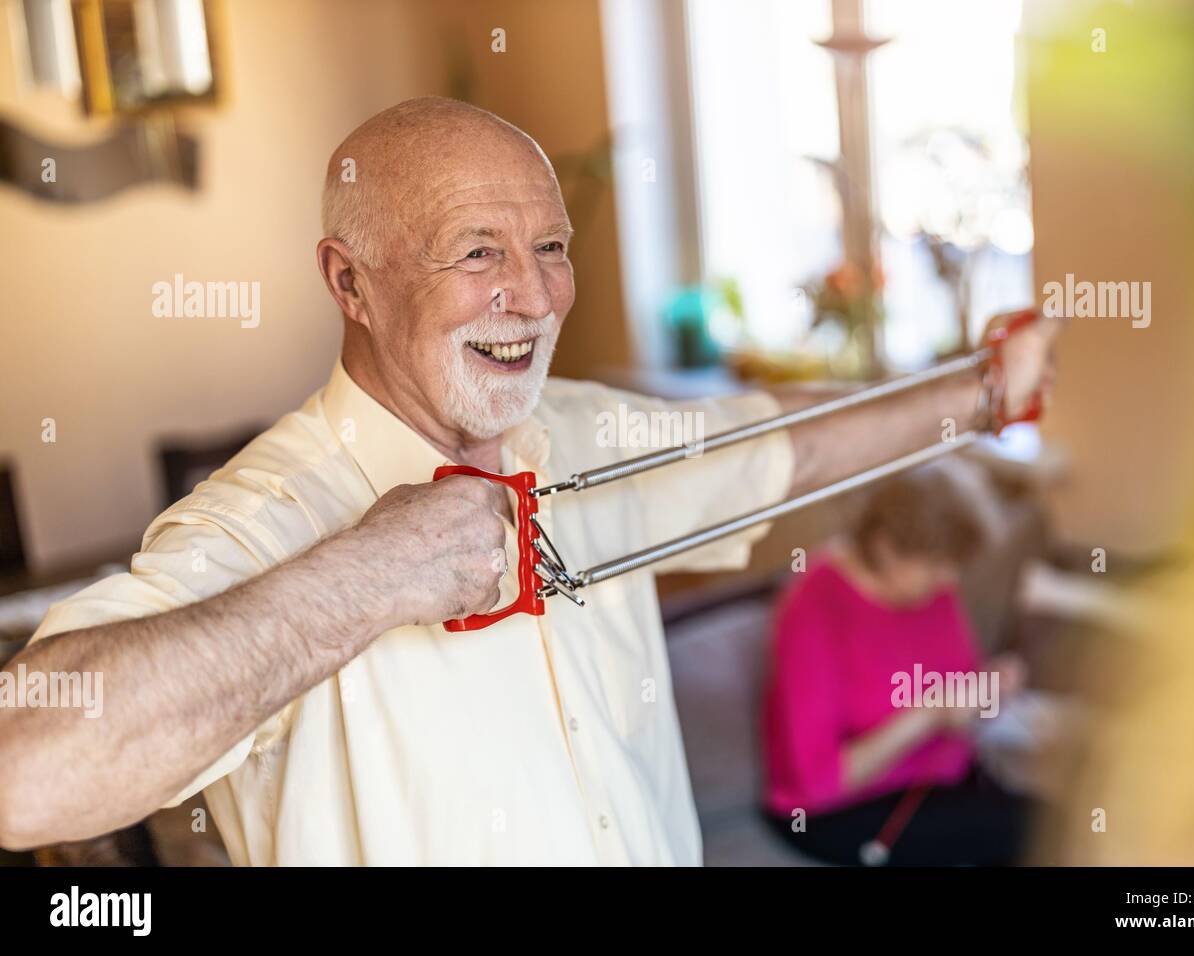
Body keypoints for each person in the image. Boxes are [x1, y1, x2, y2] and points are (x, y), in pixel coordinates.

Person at [0, 97, 1057, 865]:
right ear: (348, 282)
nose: (533, 292)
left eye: (549, 244)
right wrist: (370, 573)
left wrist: (986, 391)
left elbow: (796, 443)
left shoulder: (587, 432)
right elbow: (26, 771)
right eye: (476, 251)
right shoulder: (263, 514)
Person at [762, 467, 1034, 866]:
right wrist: (930, 714)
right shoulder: (813, 610)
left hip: (939, 780)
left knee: (1063, 816)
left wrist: (988, 687)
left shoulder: (936, 591)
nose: (949, 578)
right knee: (1029, 829)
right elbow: (817, 783)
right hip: (839, 810)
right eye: (937, 563)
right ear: (887, 547)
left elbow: (960, 686)